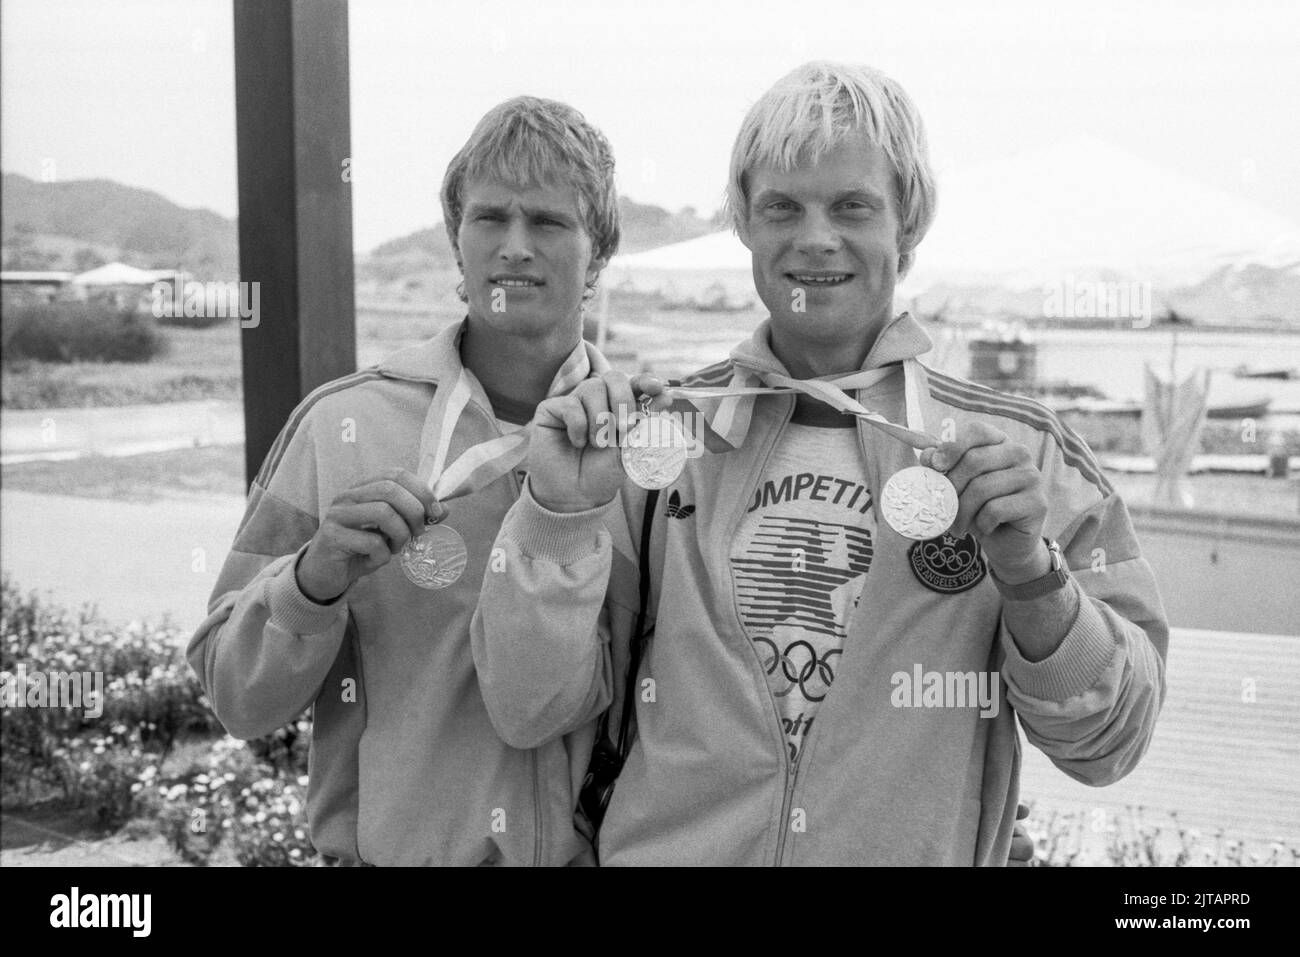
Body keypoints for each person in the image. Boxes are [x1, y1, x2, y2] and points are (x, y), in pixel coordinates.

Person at [472, 61, 1169, 865]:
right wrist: (557, 516)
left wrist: (1031, 576)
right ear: (746, 225)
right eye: (781, 208)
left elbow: (1110, 742)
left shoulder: (1021, 454)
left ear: (908, 224)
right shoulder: (662, 441)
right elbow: (530, 707)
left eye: (852, 206)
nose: (814, 238)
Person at [188, 95, 622, 865]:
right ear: (458, 244)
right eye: (490, 218)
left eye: (549, 222)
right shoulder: (338, 427)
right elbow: (234, 694)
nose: (514, 246)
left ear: (600, 254)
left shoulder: (647, 450)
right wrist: (311, 582)